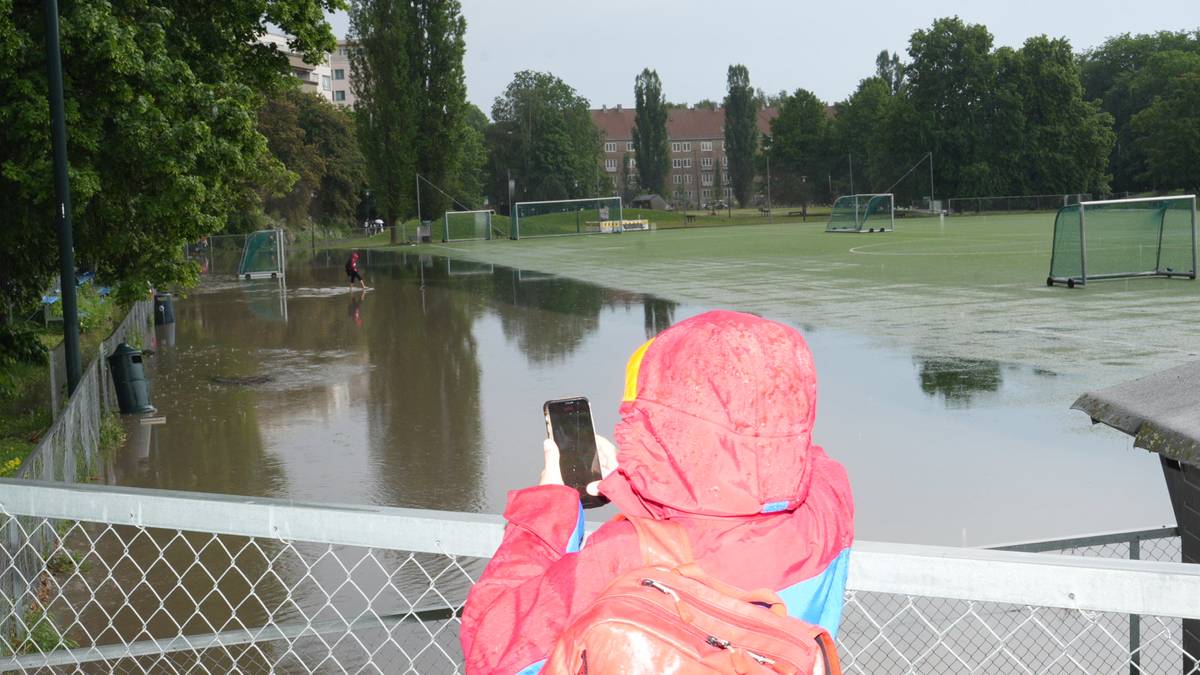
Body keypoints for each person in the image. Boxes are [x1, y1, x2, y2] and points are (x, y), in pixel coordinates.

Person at [461, 310, 854, 674]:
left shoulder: (624, 555)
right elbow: (763, 452)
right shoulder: (829, 498)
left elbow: (490, 647)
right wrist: (642, 482)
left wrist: (548, 507)